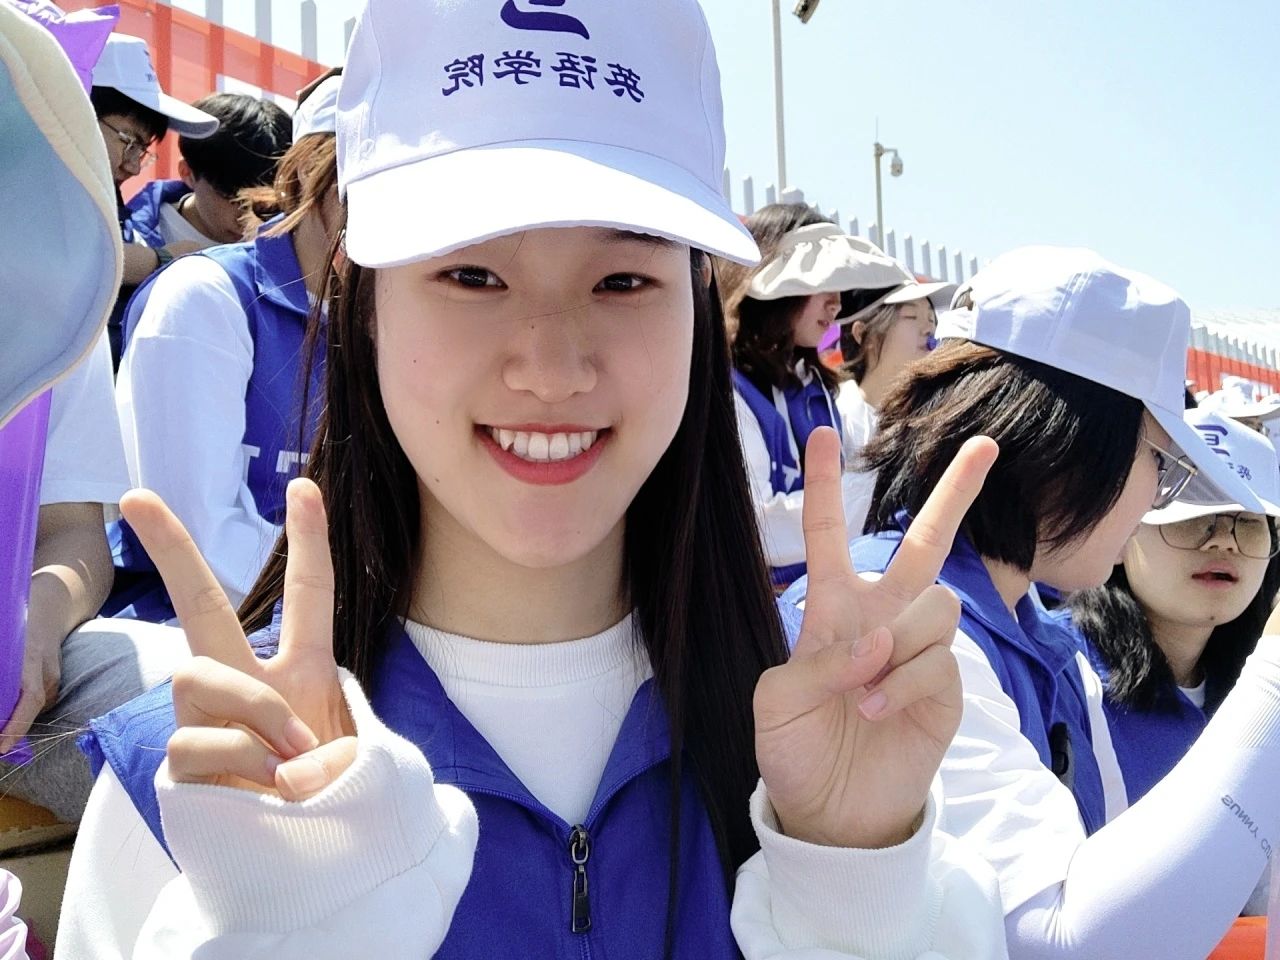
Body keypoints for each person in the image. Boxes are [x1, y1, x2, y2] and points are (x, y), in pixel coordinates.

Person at [56, 0, 1008, 955]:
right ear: (364, 306)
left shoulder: (836, 734)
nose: (552, 370)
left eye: (623, 280)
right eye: (471, 276)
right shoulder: (204, 786)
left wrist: (854, 886)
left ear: (695, 317)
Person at [785, 245, 1280, 959]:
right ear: (1067, 446)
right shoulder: (898, 630)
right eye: (1159, 463)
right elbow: (1061, 939)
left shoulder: (1025, 630)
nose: (1154, 498)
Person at [100, 76, 339, 623]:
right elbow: (203, 538)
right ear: (308, 168)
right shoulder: (205, 297)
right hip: (187, 625)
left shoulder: (396, 317)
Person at [1069, 410, 1280, 808]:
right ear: (1123, 527)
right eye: (1197, 515)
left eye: (1249, 519)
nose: (1224, 540)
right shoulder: (1058, 672)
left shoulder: (1259, 691)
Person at [719, 204, 910, 585]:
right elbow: (757, 528)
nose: (836, 302)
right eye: (823, 281)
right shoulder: (729, 387)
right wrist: (875, 479)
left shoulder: (816, 386)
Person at [89, 32, 220, 367]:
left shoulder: (107, 197)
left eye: (142, 149)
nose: (133, 166)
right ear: (78, 109)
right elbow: (76, 260)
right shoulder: (22, 179)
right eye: (128, 141)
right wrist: (163, 259)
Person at [125, 92, 292, 249]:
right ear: (187, 173)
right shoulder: (130, 239)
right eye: (234, 200)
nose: (246, 218)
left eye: (265, 206)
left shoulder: (292, 246)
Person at [836, 278, 954, 474]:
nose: (929, 329)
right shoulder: (837, 414)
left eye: (931, 319)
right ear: (863, 334)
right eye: (911, 316)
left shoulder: (933, 419)